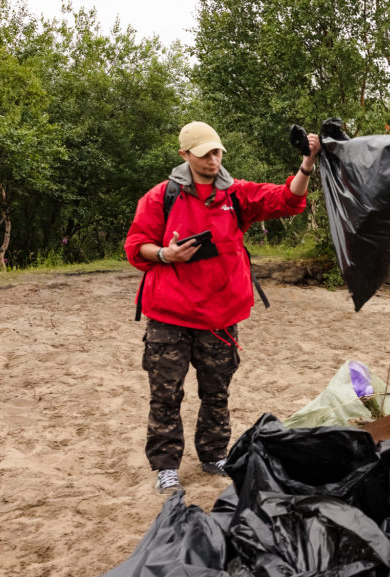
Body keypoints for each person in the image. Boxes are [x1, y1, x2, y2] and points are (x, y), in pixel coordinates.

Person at [125, 121, 320, 495]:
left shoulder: (236, 194)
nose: (214, 160)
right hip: (169, 315)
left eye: (217, 153)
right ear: (185, 155)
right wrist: (166, 253)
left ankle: (214, 455)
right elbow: (136, 245)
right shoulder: (160, 197)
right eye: (204, 154)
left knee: (216, 394)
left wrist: (307, 163)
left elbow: (287, 200)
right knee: (166, 395)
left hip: (220, 317)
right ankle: (166, 466)